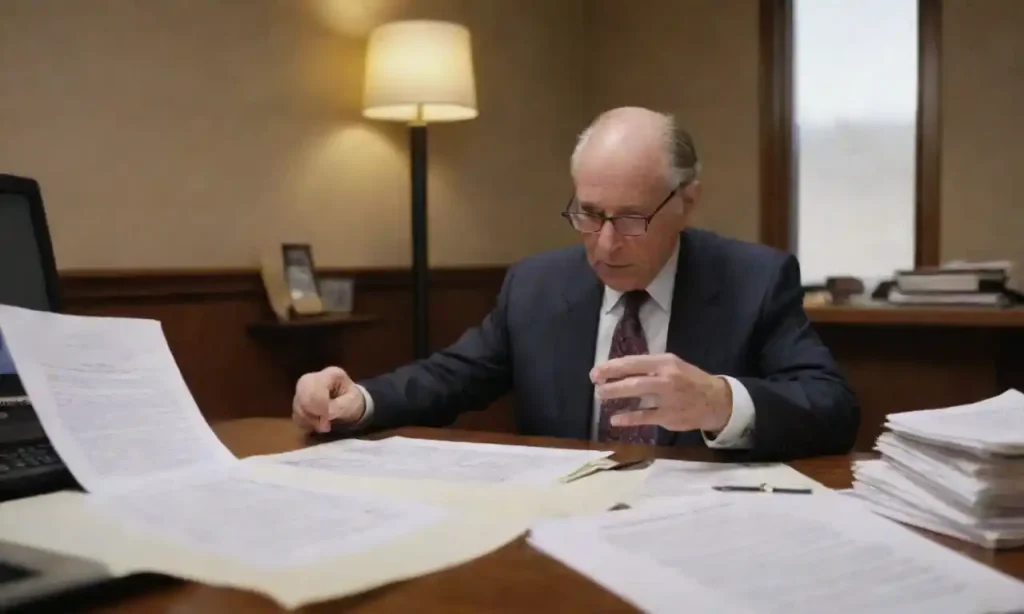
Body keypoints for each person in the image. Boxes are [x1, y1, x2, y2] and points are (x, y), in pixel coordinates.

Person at [292, 107, 859, 460]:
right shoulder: (536, 284)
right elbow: (451, 377)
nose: (606, 244)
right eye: (588, 214)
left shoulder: (755, 279)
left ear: (688, 202)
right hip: (563, 533)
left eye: (632, 219)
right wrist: (358, 401)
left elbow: (833, 408)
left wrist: (718, 401)